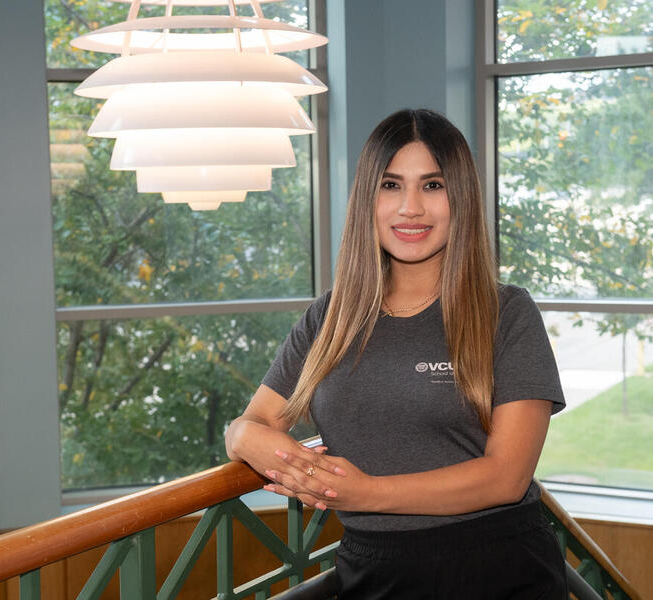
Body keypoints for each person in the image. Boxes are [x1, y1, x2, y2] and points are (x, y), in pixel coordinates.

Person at [224, 108, 568, 599]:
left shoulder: (506, 312)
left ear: (461, 198)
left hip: (496, 569)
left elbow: (506, 477)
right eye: (390, 185)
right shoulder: (330, 319)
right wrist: (246, 439)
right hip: (369, 568)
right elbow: (252, 423)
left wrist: (364, 493)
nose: (411, 208)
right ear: (368, 197)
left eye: (432, 185)